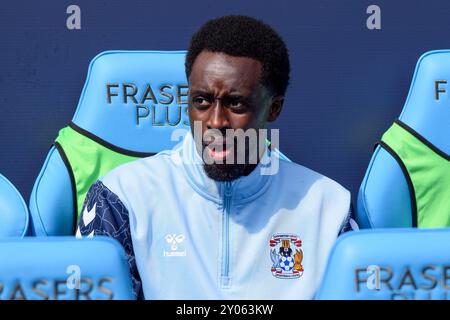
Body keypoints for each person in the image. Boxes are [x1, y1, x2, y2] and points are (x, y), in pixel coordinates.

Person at [77, 15, 357, 299]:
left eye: (235, 103)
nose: (216, 121)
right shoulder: (121, 197)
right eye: (202, 101)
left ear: (274, 109)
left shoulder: (329, 208)